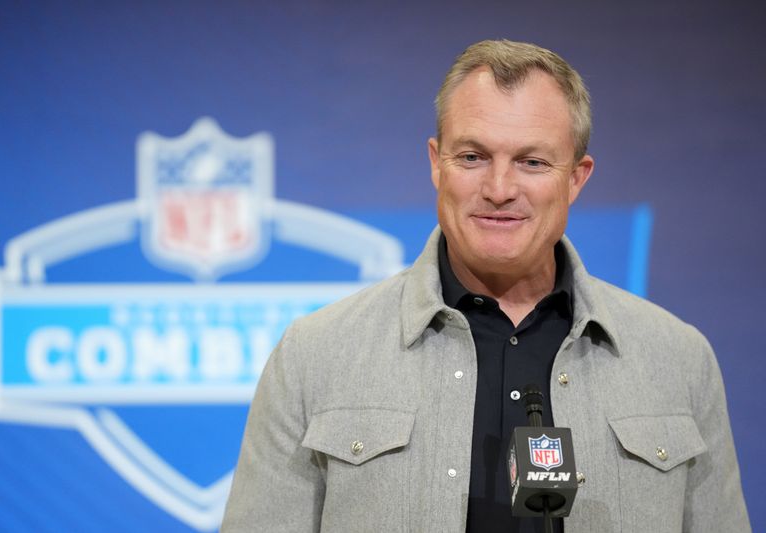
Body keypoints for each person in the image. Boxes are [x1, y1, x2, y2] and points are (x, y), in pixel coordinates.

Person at [221, 39, 750, 532]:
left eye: (532, 162)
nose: (499, 189)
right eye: (472, 157)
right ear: (436, 164)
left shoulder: (679, 360)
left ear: (577, 177)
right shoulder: (315, 355)